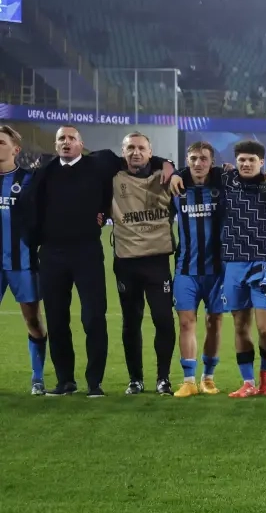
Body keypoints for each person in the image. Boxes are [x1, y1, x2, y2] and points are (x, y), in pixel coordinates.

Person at [22, 125, 172, 397]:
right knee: (56, 319)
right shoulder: (44, 173)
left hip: (87, 252)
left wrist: (168, 164)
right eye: (61, 139)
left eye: (71, 138)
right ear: (56, 145)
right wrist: (34, 245)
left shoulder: (99, 163)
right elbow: (31, 210)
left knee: (93, 317)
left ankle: (95, 383)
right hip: (52, 254)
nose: (66, 143)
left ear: (82, 143)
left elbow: (141, 157)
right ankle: (65, 381)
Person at [175, 140, 266, 398]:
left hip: (263, 263)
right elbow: (193, 168)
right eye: (242, 160)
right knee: (239, 325)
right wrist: (175, 173)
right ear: (235, 162)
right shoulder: (227, 179)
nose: (246, 164)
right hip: (233, 263)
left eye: (251, 160)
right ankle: (247, 382)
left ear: (262, 162)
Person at [110, 132, 177, 396]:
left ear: (151, 153)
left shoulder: (167, 177)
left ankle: (163, 378)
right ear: (122, 152)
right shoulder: (111, 178)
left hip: (157, 261)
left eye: (141, 148)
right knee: (131, 321)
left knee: (163, 320)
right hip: (126, 262)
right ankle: (135, 379)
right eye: (130, 148)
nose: (136, 152)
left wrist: (169, 165)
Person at [171, 141, 225, 398]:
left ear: (211, 162)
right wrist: (170, 171)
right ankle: (189, 380)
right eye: (193, 158)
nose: (198, 163)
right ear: (187, 160)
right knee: (186, 322)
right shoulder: (176, 186)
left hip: (218, 270)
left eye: (203, 158)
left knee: (214, 322)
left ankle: (209, 378)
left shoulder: (223, 185)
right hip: (186, 268)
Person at [0, 125, 48, 395]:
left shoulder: (30, 180)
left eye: (1, 142)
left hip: (23, 262)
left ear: (15, 149)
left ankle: (37, 378)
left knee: (32, 321)